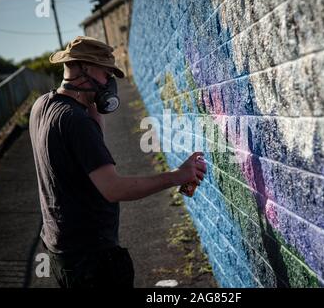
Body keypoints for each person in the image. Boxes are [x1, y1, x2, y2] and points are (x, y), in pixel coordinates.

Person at [29, 36, 207, 288]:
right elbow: (114, 189)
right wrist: (178, 175)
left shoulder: (42, 105)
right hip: (91, 259)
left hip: (60, 248)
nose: (108, 83)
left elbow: (88, 153)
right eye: (106, 74)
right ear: (85, 69)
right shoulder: (76, 122)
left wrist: (93, 104)